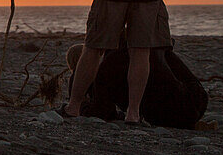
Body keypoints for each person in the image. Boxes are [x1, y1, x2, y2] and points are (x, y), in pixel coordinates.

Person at [65, 42, 208, 129]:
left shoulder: (106, 69)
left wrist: (81, 103)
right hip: (198, 100)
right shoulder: (147, 47)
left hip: (165, 116)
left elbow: (102, 112)